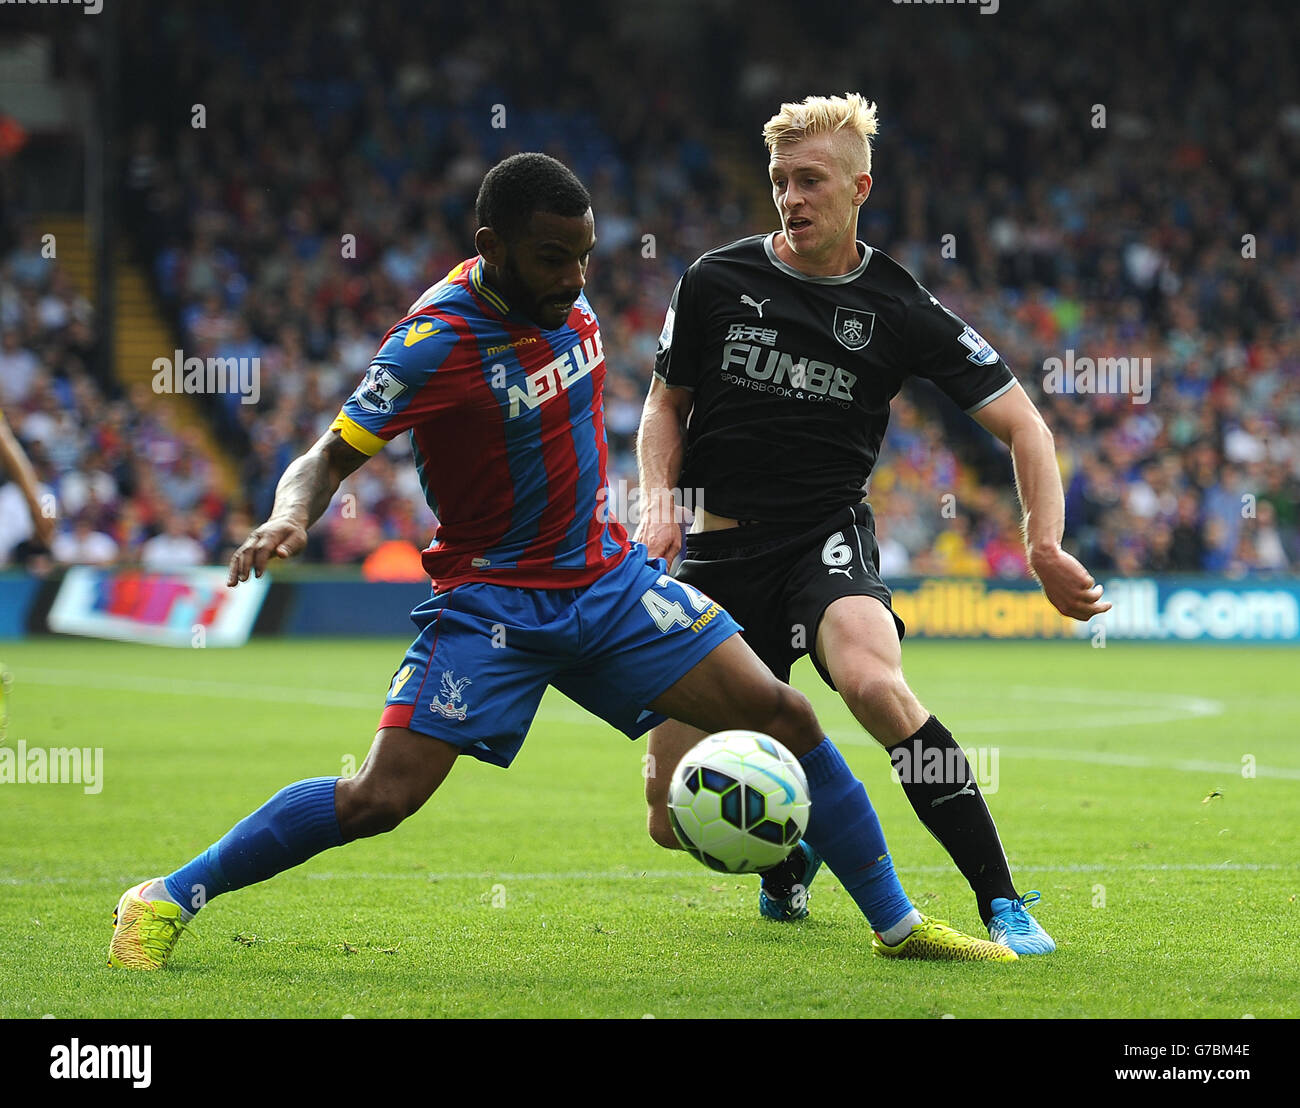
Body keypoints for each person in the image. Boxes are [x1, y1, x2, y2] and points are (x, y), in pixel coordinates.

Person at [108, 153, 1016, 971]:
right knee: (380, 797)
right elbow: (327, 456)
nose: (576, 277)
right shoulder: (436, 340)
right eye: (553, 258)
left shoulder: (564, 295)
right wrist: (287, 516)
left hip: (608, 584)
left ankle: (898, 927)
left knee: (785, 711)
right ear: (492, 246)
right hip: (495, 606)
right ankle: (164, 898)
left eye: (584, 257)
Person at [635, 95, 1111, 954]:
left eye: (809, 180)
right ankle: (802, 846)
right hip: (713, 551)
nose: (791, 197)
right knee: (670, 815)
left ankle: (1000, 900)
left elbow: (1025, 425)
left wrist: (1044, 543)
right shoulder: (714, 280)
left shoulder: (897, 306)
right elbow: (664, 405)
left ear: (860, 187)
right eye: (780, 181)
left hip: (822, 537)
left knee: (874, 685)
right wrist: (657, 502)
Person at [0, 406, 56, 553]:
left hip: (39, 544)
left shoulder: (47, 493)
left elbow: (49, 522)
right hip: (14, 548)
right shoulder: (6, 493)